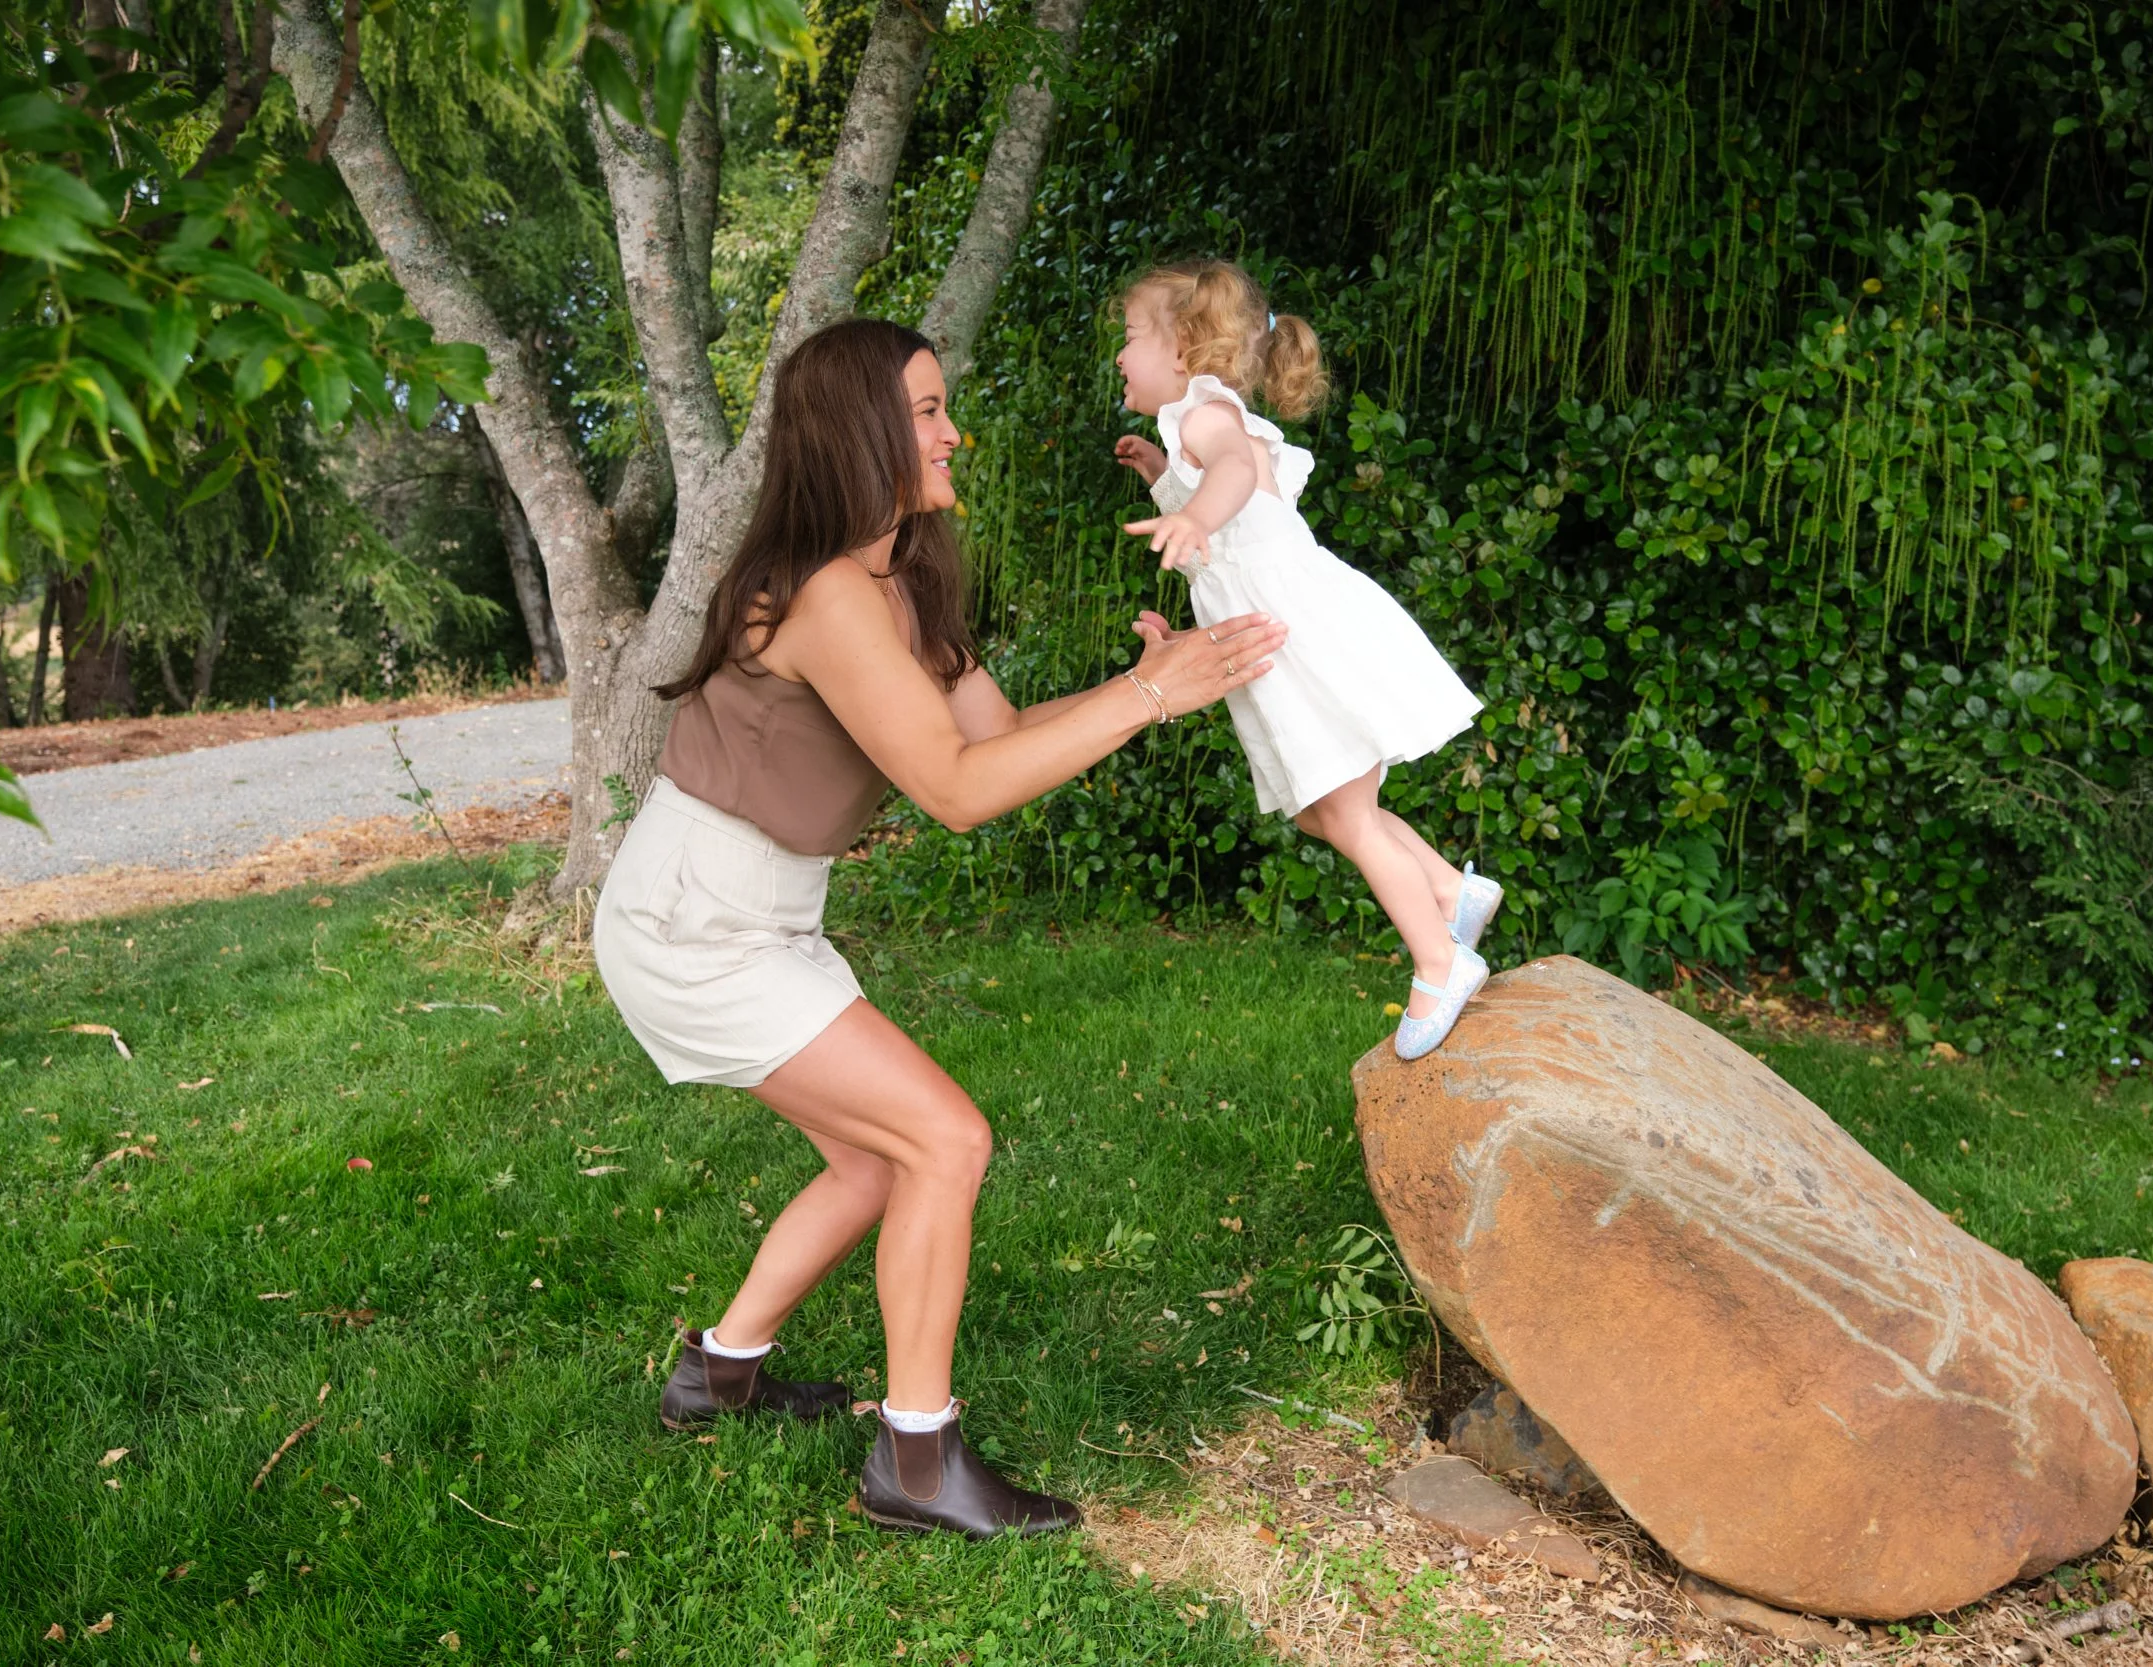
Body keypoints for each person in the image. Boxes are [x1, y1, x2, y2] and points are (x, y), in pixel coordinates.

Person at [591, 317, 1287, 1539]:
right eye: (925, 410)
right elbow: (958, 796)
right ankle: (915, 1462)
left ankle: (718, 1371)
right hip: (693, 920)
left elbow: (996, 737)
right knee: (944, 1141)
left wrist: (1153, 692)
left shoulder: (897, 580)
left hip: (754, 911)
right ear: (859, 429)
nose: (951, 429)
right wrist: (1142, 696)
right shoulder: (823, 595)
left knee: (878, 1158)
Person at [1112, 258, 1501, 1058]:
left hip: (1299, 641)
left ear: (1182, 349)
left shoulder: (1205, 415)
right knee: (1323, 810)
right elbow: (1239, 508)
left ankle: (1440, 958)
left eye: (1128, 338)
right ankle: (1451, 886)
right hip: (1284, 639)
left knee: (1348, 815)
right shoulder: (1196, 428)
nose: (1119, 358)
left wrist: (1193, 520)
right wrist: (1165, 486)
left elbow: (1229, 476)